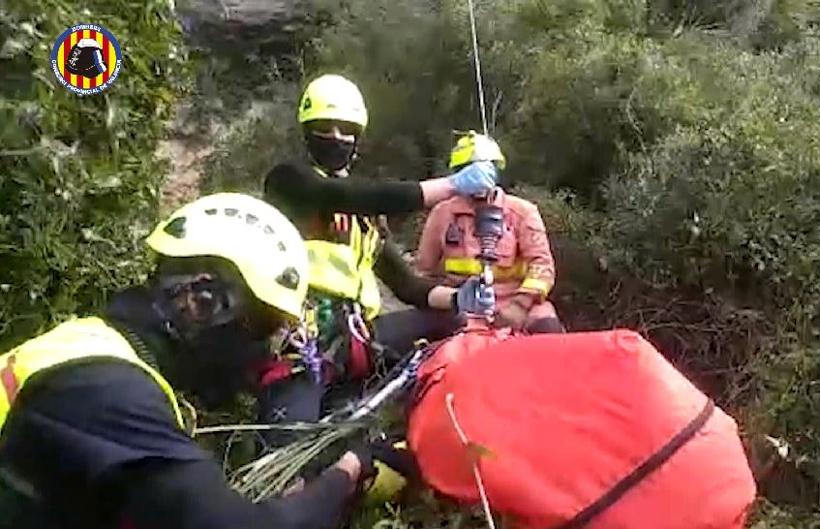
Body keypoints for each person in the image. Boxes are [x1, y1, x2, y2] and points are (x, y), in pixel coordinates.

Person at [0, 193, 376, 529]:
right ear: (200, 300)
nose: (265, 352)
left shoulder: (91, 348)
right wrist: (347, 472)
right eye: (262, 327)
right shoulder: (109, 391)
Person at [258, 74, 497, 440]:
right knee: (288, 443)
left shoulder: (363, 220)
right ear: (307, 132)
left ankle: (445, 417)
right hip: (301, 344)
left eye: (346, 129)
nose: (336, 137)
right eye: (325, 128)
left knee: (449, 322)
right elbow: (346, 194)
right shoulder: (289, 182)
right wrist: (451, 186)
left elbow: (406, 285)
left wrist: (459, 297)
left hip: (357, 336)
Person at [398, 131, 564, 340]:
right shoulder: (442, 214)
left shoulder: (522, 212)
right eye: (468, 170)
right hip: (463, 308)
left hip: (517, 304)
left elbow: (542, 267)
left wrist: (519, 305)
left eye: (483, 169)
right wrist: (451, 300)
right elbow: (423, 273)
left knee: (547, 329)